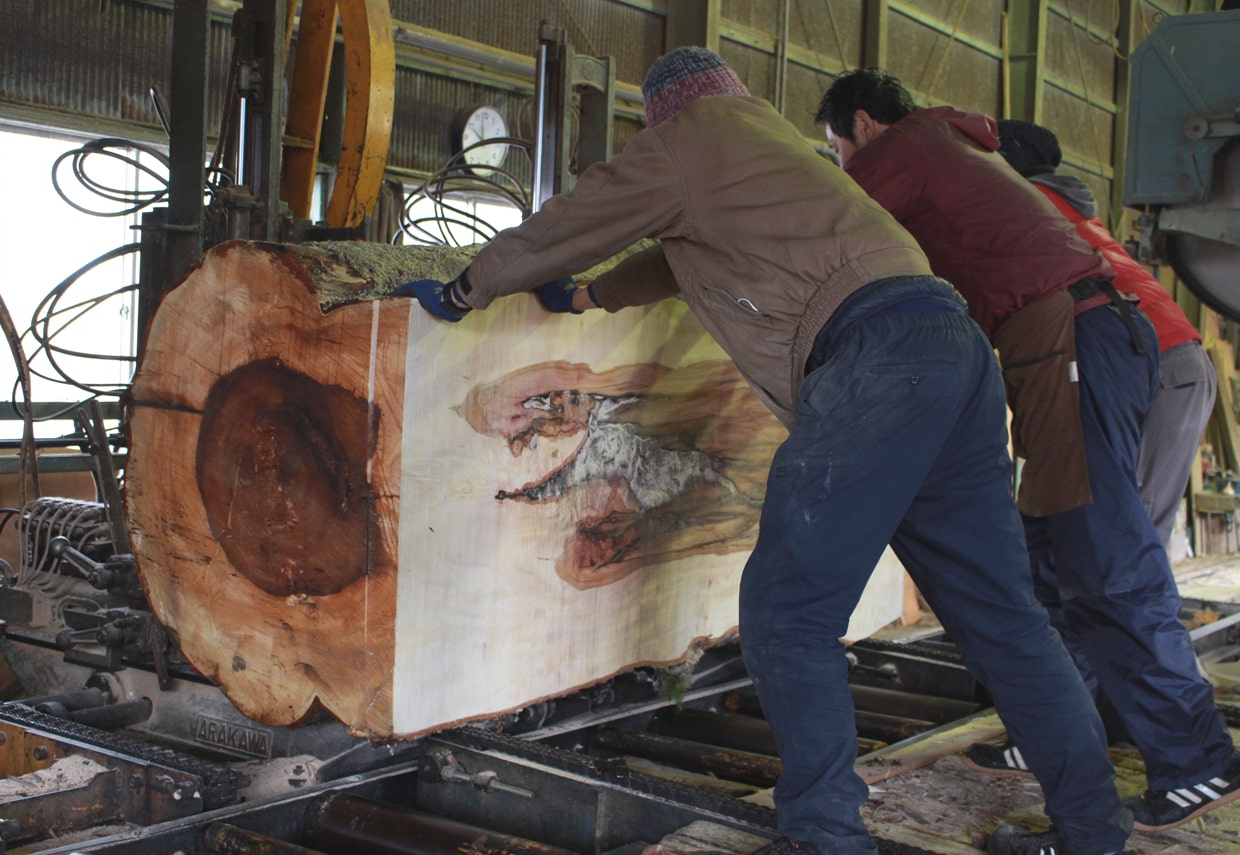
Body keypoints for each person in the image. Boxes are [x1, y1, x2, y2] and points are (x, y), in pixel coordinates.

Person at [393, 47, 1131, 855]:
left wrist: (470, 287)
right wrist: (584, 295)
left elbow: (575, 218)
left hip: (877, 365)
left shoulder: (686, 136)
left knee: (788, 613)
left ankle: (825, 837)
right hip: (951, 351)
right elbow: (681, 259)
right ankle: (1094, 831)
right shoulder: (768, 147)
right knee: (1005, 618)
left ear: (666, 107)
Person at [815, 67, 1239, 845]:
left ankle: (1195, 759)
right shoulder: (955, 149)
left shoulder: (902, 148)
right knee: (1045, 558)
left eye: (838, 149)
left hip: (1072, 339)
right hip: (1063, 344)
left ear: (864, 127)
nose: (844, 164)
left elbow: (825, 225)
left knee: (1108, 564)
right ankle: (1057, 730)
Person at [996, 119, 1216, 550]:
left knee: (1130, 538)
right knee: (1136, 533)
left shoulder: (1028, 204)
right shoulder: (1069, 207)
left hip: (1157, 361)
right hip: (1172, 359)